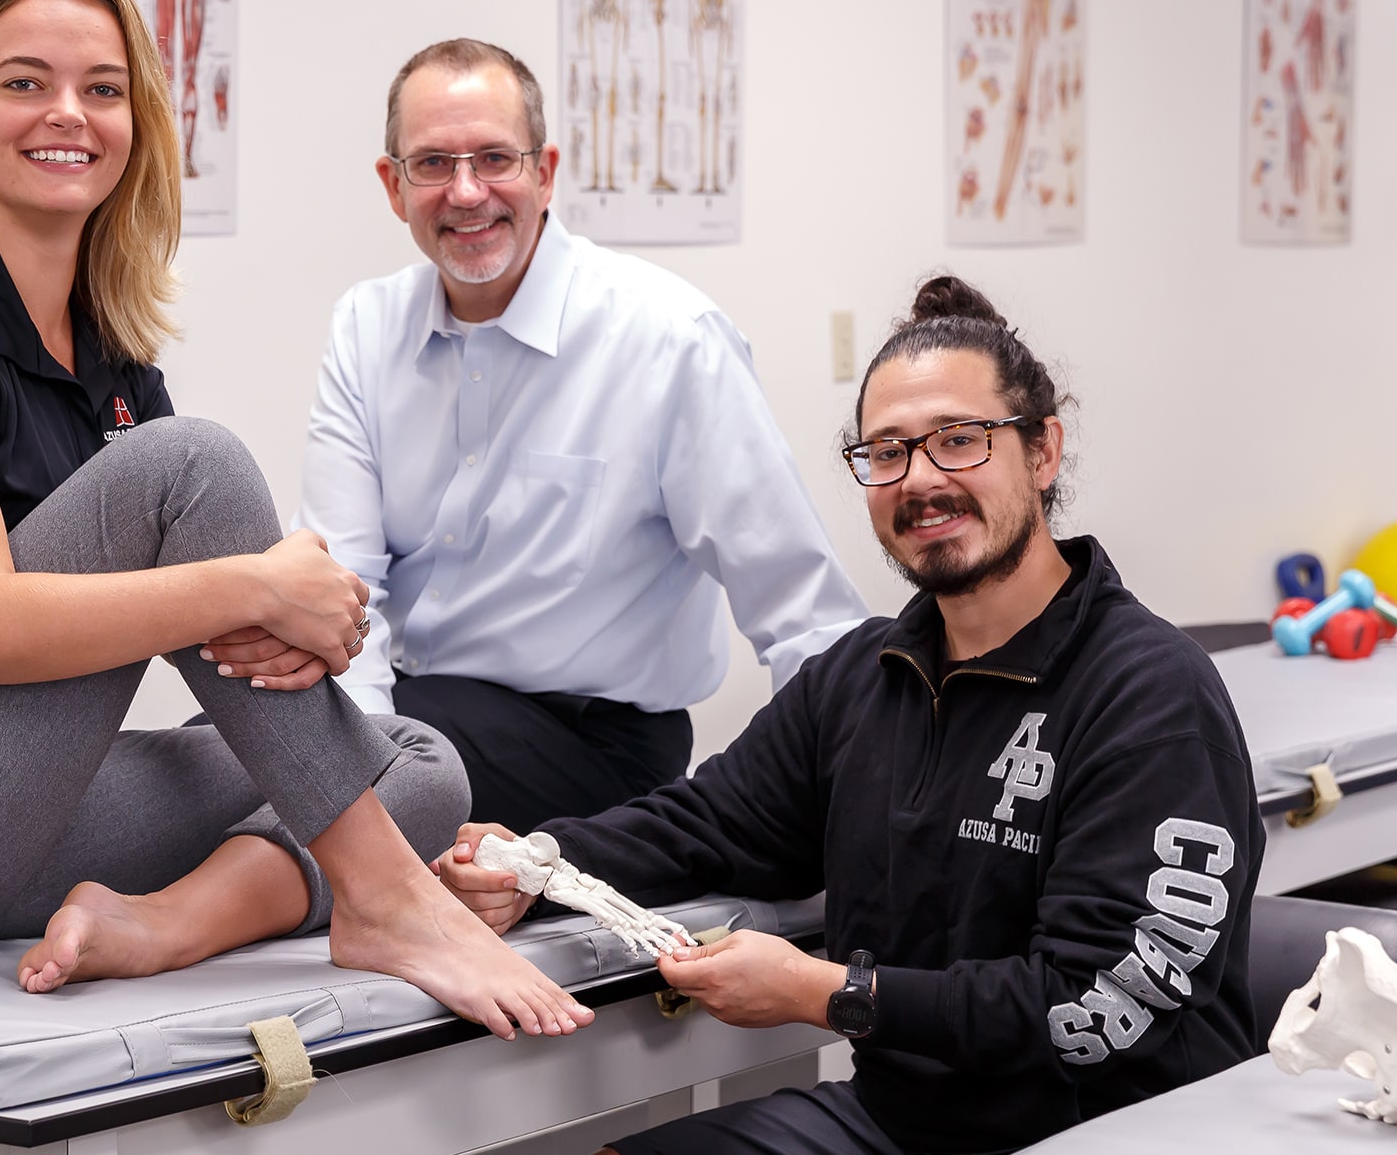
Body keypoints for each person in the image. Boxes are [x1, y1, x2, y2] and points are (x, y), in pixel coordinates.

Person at [0, 0, 591, 1042]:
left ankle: (164, 926)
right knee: (196, 465)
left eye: (101, 88)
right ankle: (385, 900)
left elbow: (205, 612)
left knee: (416, 764)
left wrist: (277, 612)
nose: (67, 115)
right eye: (24, 82)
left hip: (9, 823)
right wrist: (255, 587)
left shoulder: (112, 358)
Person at [438, 276, 1263, 1153]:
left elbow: (1089, 1007)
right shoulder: (863, 677)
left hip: (1105, 1133)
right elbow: (710, 822)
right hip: (901, 1124)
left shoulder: (1148, 694)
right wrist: (538, 861)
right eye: (887, 453)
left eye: (960, 441)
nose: (922, 481)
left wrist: (829, 993)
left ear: (1043, 451)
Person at [272, 38, 864, 831]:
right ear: (393, 185)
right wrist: (365, 756)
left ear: (545, 171)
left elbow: (800, 604)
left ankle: (180, 917)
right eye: (433, 164)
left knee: (278, 780)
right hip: (412, 708)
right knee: (224, 746)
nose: (467, 191)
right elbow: (345, 593)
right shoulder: (365, 328)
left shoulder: (668, 339)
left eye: (494, 158)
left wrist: (863, 805)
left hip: (590, 744)